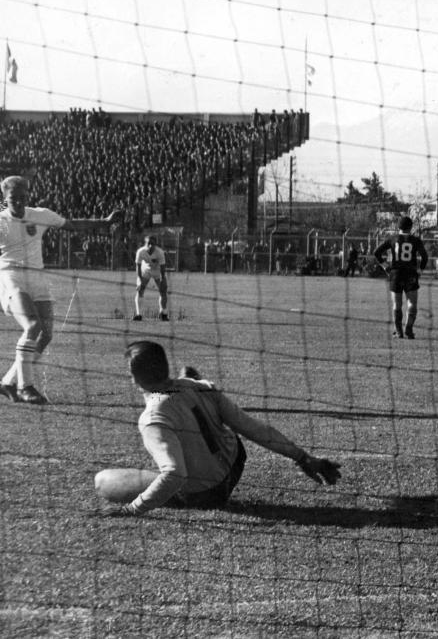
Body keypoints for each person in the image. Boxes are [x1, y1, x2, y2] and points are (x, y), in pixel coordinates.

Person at [94, 341, 341, 516]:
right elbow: (253, 428)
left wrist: (132, 509)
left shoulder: (151, 419)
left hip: (204, 494)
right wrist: (303, 457)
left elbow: (174, 474)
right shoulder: (202, 387)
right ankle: (184, 389)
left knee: (102, 481)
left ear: (135, 379)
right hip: (234, 465)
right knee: (192, 393)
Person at [0, 175, 122, 404]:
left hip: (37, 277)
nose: (17, 201)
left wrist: (104, 222)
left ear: (28, 196)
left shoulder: (40, 215)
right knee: (33, 326)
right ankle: (26, 387)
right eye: (12, 198)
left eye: (22, 197)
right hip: (10, 276)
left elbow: (72, 224)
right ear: (5, 199)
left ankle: (8, 381)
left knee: (45, 334)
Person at [373, 216, 428, 339]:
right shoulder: (415, 240)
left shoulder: (393, 239)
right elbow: (425, 257)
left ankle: (398, 331)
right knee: (412, 303)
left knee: (397, 304)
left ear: (398, 227)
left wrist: (385, 266)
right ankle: (408, 328)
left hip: (396, 274)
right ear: (411, 227)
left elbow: (376, 252)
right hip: (411, 273)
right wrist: (420, 270)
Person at [133, 235, 169, 321]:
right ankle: (138, 314)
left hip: (157, 271)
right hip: (146, 270)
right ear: (145, 243)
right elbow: (138, 266)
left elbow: (163, 267)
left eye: (152, 244)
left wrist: (163, 279)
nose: (150, 245)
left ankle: (163, 313)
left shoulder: (160, 252)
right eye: (148, 243)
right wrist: (139, 279)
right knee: (140, 290)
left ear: (155, 244)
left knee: (163, 291)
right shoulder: (140, 252)